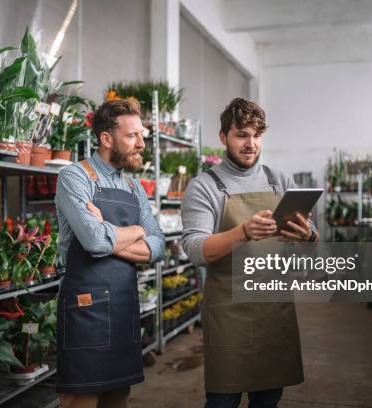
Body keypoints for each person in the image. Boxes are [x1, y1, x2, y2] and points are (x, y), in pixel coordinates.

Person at [181, 98, 318, 408]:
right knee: (222, 400)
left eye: (256, 135)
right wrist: (243, 232)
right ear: (223, 137)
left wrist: (308, 235)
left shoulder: (279, 181)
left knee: (269, 399)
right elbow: (195, 249)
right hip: (230, 312)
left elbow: (312, 243)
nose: (250, 143)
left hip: (274, 311)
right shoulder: (205, 186)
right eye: (241, 134)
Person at [54, 98, 165, 408]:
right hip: (85, 309)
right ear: (106, 138)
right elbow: (94, 242)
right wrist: (137, 231)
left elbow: (157, 246)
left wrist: (112, 231)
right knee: (82, 398)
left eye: (142, 135)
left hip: (123, 307)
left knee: (119, 396)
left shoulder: (134, 188)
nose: (142, 143)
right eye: (133, 136)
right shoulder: (75, 177)